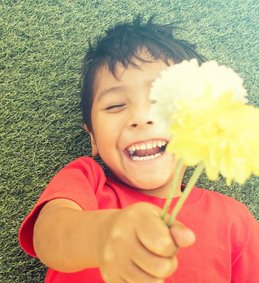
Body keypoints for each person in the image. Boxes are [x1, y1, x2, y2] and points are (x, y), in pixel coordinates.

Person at [19, 16, 259, 283]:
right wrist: (105, 236)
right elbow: (49, 237)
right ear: (93, 139)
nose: (141, 117)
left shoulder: (236, 221)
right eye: (115, 105)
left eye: (161, 102)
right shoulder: (86, 180)